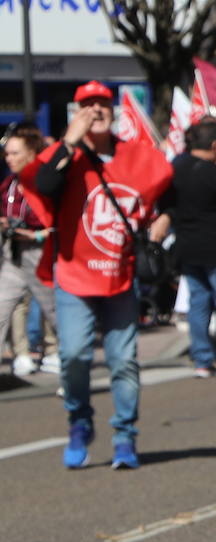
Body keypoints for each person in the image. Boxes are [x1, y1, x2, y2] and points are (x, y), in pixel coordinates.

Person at [21, 80, 173, 469]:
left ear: (114, 110)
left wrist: (163, 221)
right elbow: (43, 184)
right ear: (76, 112)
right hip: (74, 275)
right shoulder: (66, 156)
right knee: (74, 355)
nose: (96, 111)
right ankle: (79, 419)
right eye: (87, 105)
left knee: (123, 360)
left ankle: (125, 435)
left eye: (102, 104)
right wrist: (70, 142)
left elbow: (171, 189)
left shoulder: (136, 155)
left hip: (120, 275)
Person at [151, 121, 216, 377]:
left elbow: (166, 200)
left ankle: (202, 359)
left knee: (198, 304)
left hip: (189, 247)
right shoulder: (213, 171)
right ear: (214, 145)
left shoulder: (177, 166)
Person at [0, 129, 56, 374]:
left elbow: (59, 222)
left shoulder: (47, 183)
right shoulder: (9, 183)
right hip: (13, 254)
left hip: (41, 253)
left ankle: (71, 365)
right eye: (7, 153)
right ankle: (21, 353)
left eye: (15, 153)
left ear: (32, 153)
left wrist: (36, 234)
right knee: (2, 305)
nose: (9, 158)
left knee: (54, 312)